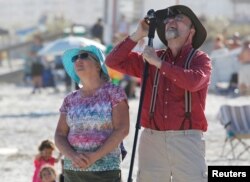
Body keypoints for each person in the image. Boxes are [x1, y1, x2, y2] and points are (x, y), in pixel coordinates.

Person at [106, 5, 211, 182]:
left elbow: (193, 82)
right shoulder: (152, 58)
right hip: (151, 139)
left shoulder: (200, 59)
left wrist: (159, 64)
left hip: (187, 139)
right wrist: (138, 34)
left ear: (192, 30)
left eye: (179, 19)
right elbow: (113, 61)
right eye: (169, 20)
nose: (171, 22)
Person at [54, 45, 129, 182]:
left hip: (105, 171)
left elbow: (122, 129)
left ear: (98, 65)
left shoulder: (114, 92)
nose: (78, 60)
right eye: (75, 58)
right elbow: (59, 134)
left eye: (83, 56)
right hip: (73, 171)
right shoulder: (70, 99)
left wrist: (94, 156)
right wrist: (72, 156)